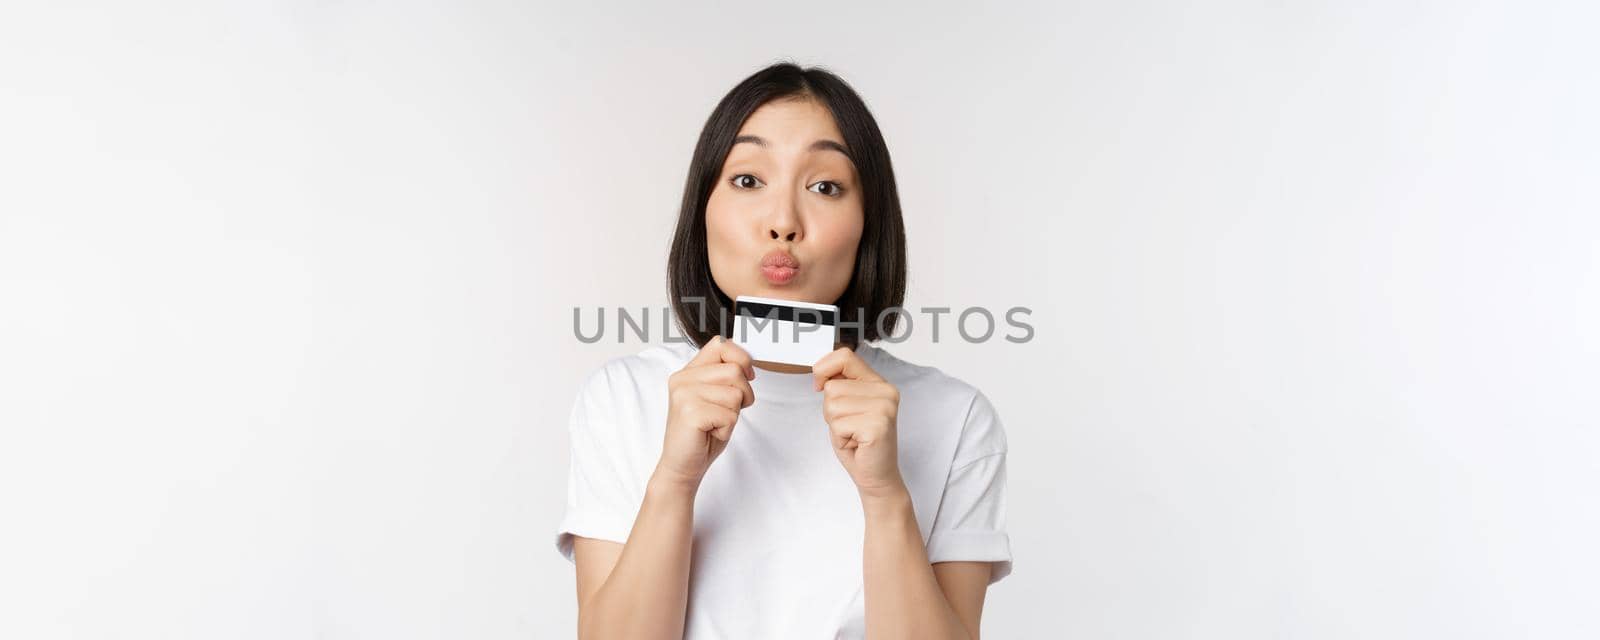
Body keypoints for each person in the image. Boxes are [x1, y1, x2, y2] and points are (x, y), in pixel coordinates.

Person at [555, 62, 1012, 639]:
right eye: (748, 180)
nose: (783, 222)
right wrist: (673, 480)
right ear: (704, 208)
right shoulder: (622, 399)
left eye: (825, 187)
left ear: (869, 223)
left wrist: (885, 494)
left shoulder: (956, 418)